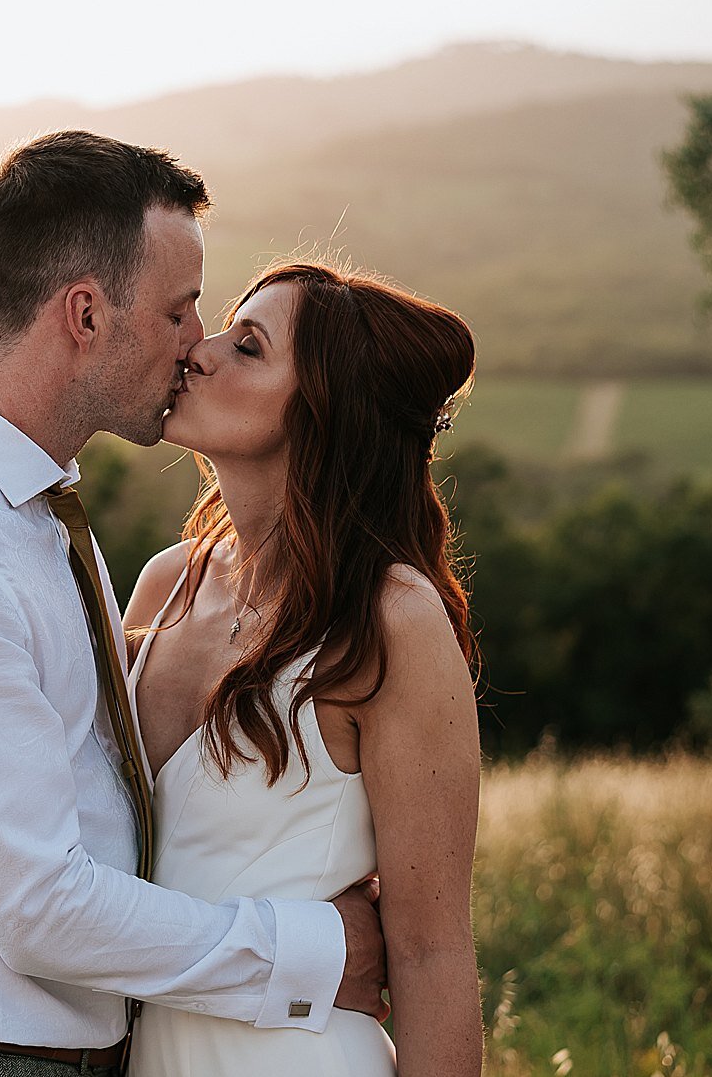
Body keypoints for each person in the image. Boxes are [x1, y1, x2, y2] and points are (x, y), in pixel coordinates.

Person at [0, 132, 387, 1077]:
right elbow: (40, 907)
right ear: (85, 313)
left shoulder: (33, 514)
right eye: (177, 309)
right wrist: (315, 950)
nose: (195, 342)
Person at [125, 260, 483, 1076]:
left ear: (324, 410)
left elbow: (431, 953)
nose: (199, 352)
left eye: (247, 346)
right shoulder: (163, 584)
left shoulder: (390, 622)